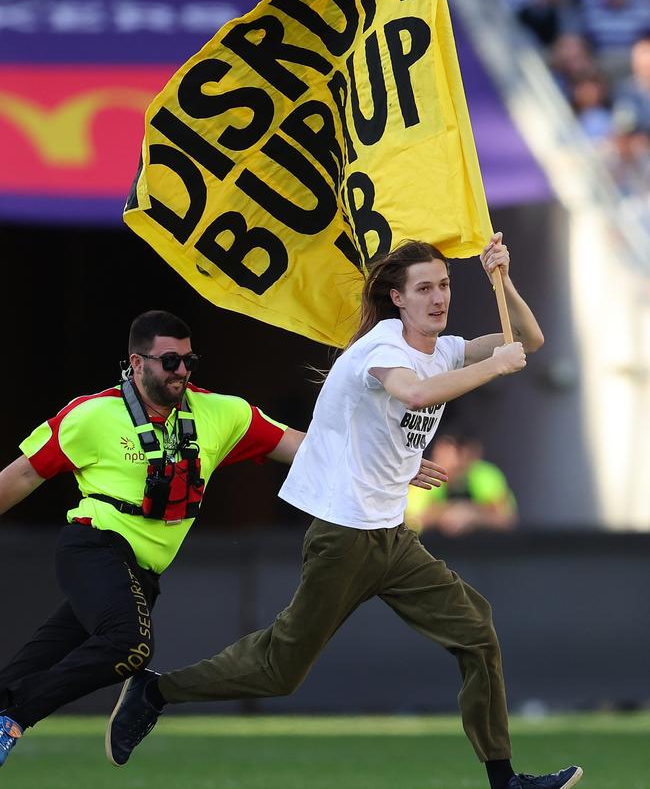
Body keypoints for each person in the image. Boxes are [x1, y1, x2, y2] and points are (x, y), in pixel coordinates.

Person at [107, 236, 583, 789]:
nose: (438, 298)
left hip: (392, 537)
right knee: (280, 670)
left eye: (445, 285)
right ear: (397, 299)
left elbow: (530, 337)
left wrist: (502, 278)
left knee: (477, 631)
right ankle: (156, 690)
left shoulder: (443, 349)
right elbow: (417, 395)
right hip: (343, 535)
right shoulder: (382, 348)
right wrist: (495, 366)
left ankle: (503, 781)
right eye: (424, 288)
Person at [0, 309, 441, 768]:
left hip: (142, 573)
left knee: (33, 663)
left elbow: (302, 446)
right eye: (170, 361)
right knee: (129, 645)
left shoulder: (220, 412)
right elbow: (25, 473)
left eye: (190, 361)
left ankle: (4, 702)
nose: (183, 372)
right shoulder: (93, 414)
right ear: (136, 363)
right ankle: (13, 718)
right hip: (93, 548)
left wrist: (388, 462)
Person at [406, 432, 518, 537]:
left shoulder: (486, 475)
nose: (457, 462)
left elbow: (507, 519)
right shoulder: (426, 474)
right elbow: (414, 521)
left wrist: (473, 515)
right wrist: (449, 512)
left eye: (464, 455)